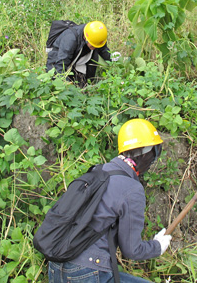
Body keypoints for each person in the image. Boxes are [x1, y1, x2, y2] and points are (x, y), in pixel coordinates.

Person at [48, 118, 172, 283]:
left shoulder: (98, 172)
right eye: (155, 152)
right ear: (145, 153)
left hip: (56, 265)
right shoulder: (131, 189)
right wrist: (157, 247)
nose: (154, 160)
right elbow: (132, 250)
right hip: (86, 271)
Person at [46, 20, 119, 87]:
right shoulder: (70, 39)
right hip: (58, 61)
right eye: (93, 45)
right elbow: (61, 64)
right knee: (57, 84)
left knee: (82, 86)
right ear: (86, 38)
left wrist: (113, 59)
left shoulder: (97, 37)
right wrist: (66, 85)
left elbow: (103, 50)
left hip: (77, 59)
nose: (94, 47)